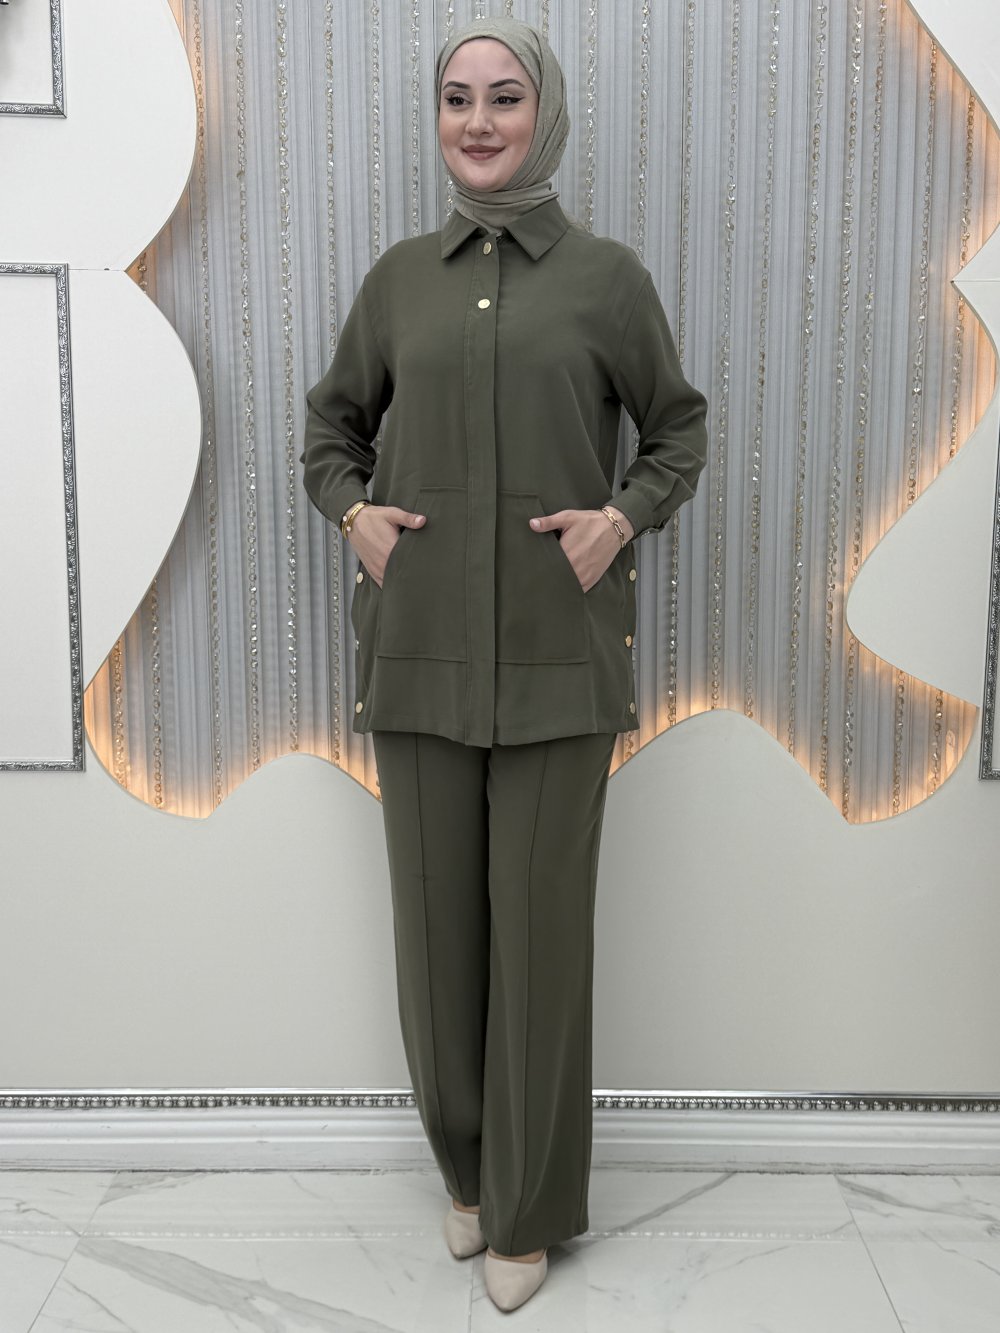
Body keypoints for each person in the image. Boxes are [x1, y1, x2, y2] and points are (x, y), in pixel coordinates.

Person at [301, 16, 707, 1313]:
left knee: (537, 942)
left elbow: (679, 433)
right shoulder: (398, 282)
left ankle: (528, 1208)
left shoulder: (608, 281)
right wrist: (354, 513)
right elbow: (329, 430)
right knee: (437, 945)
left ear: (547, 114)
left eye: (505, 97)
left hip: (557, 660)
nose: (478, 121)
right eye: (458, 99)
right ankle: (468, 1174)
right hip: (417, 653)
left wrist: (619, 519)